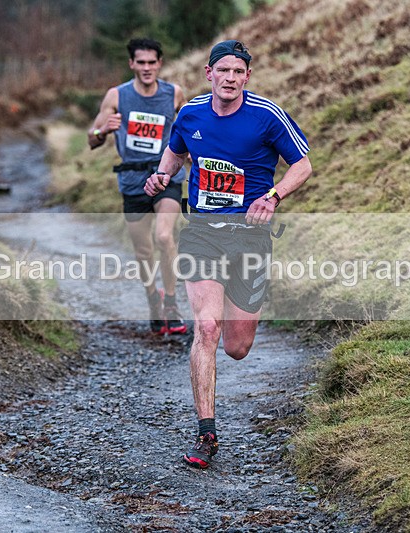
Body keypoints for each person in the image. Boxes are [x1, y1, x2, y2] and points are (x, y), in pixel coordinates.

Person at [144, 40, 312, 468]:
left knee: (237, 347)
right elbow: (176, 152)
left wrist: (272, 196)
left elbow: (302, 165)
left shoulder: (267, 115)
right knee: (206, 327)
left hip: (250, 239)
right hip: (202, 234)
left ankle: (211, 415)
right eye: (224, 71)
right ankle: (207, 434)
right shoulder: (191, 113)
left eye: (239, 72)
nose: (231, 79)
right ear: (209, 73)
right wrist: (161, 176)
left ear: (247, 77)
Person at [88, 38, 188, 335]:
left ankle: (171, 301)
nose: (146, 68)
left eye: (152, 62)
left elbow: (189, 132)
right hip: (132, 180)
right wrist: (103, 130)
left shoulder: (174, 94)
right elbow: (92, 139)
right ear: (131, 64)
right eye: (140, 62)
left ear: (160, 63)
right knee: (143, 250)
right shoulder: (116, 96)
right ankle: (152, 299)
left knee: (164, 236)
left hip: (165, 175)